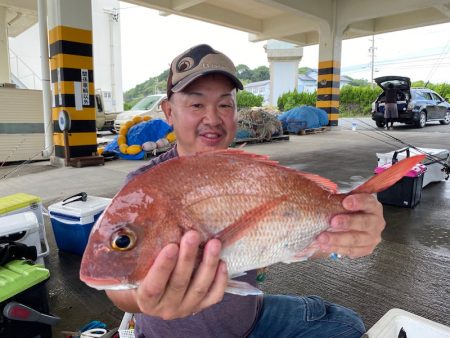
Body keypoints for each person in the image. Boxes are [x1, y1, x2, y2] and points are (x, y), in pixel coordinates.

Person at [106, 44, 386, 338]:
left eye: (225, 104)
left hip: (248, 321)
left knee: (346, 326)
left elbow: (294, 239)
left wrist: (346, 237)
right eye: (196, 104)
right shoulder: (144, 188)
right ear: (168, 111)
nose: (213, 118)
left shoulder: (255, 175)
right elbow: (114, 280)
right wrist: (146, 299)